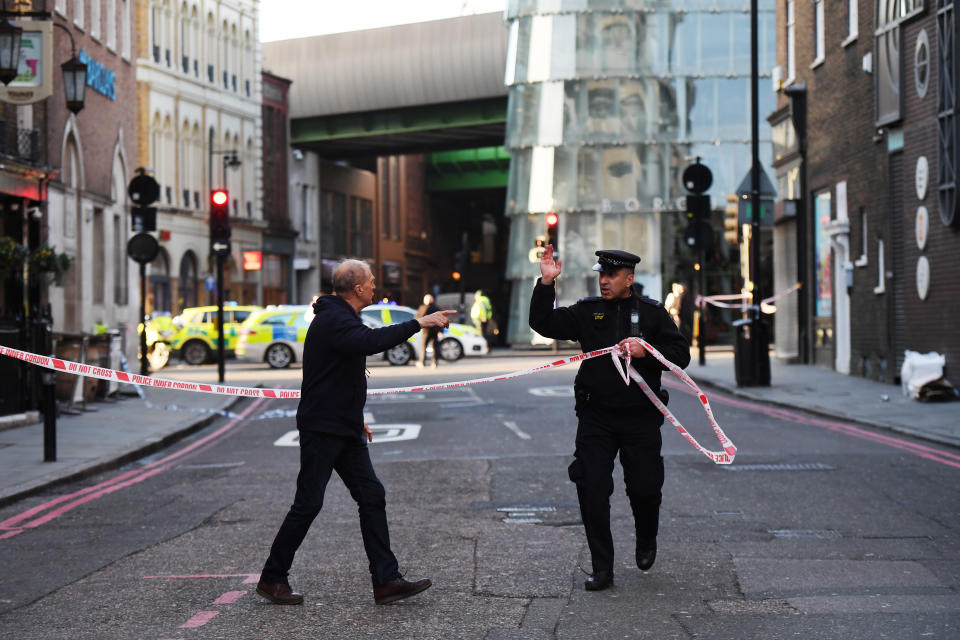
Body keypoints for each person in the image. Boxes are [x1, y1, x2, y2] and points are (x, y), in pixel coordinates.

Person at [257, 259, 456, 606]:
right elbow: (368, 342)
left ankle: (386, 580)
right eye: (372, 282)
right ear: (359, 288)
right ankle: (273, 577)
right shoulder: (334, 319)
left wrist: (355, 414)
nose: (376, 286)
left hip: (343, 424)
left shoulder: (341, 316)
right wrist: (418, 322)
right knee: (308, 504)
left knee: (371, 495)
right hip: (323, 427)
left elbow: (338, 373)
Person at [529, 246, 690, 591]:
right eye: (601, 274)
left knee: (645, 489)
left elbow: (681, 355)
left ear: (629, 279)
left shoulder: (652, 313)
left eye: (612, 275)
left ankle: (646, 537)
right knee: (592, 489)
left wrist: (648, 351)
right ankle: (602, 568)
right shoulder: (589, 311)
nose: (604, 280)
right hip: (597, 416)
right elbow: (543, 324)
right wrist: (545, 284)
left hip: (640, 418)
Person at [415, 293, 441, 368]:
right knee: (435, 347)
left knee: (424, 346)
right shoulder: (436, 308)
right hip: (435, 330)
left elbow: (417, 318)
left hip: (426, 330)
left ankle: (422, 362)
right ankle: (434, 363)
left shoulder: (423, 307)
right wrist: (440, 331)